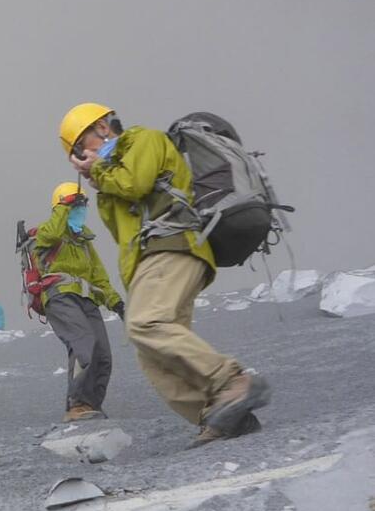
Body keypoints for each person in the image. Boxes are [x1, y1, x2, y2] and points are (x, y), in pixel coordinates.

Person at [61, 102, 271, 445]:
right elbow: (126, 230)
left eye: (80, 143)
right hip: (153, 262)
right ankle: (222, 414)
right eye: (74, 151)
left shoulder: (143, 140)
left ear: (102, 127)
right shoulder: (108, 177)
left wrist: (100, 171)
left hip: (173, 247)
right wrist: (102, 175)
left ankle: (231, 381)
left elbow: (136, 183)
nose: (80, 155)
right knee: (153, 356)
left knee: (147, 323)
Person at [37, 182, 126, 421]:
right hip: (60, 296)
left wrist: (116, 303)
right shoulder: (48, 233)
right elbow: (53, 232)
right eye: (75, 205)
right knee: (84, 345)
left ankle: (91, 405)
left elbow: (99, 277)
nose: (81, 209)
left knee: (103, 355)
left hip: (87, 300)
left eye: (83, 204)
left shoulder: (84, 241)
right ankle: (76, 405)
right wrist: (64, 205)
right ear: (61, 207)